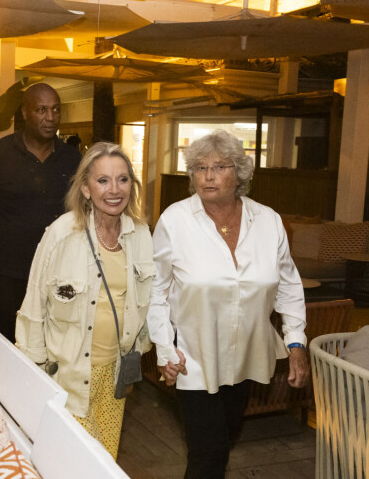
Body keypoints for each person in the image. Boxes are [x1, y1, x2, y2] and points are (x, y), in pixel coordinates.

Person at [147, 129, 309, 479]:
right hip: (194, 356)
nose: (207, 176)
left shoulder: (268, 221)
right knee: (209, 453)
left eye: (219, 167)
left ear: (240, 174)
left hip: (247, 355)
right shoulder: (175, 220)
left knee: (224, 439)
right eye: (199, 167)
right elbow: (156, 292)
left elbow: (289, 287)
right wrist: (164, 349)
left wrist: (295, 343)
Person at [16, 142, 154, 459]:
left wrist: (141, 351)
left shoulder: (141, 235)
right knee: (65, 463)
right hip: (64, 376)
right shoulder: (62, 234)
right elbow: (33, 308)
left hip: (112, 378)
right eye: (103, 180)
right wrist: (33, 377)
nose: (114, 189)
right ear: (86, 188)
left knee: (102, 460)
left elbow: (147, 302)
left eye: (122, 179)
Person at [0, 83, 81, 342]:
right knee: (11, 344)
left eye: (56, 110)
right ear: (25, 113)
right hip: (11, 274)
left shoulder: (73, 159)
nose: (50, 117)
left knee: (57, 344)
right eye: (42, 110)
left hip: (61, 272)